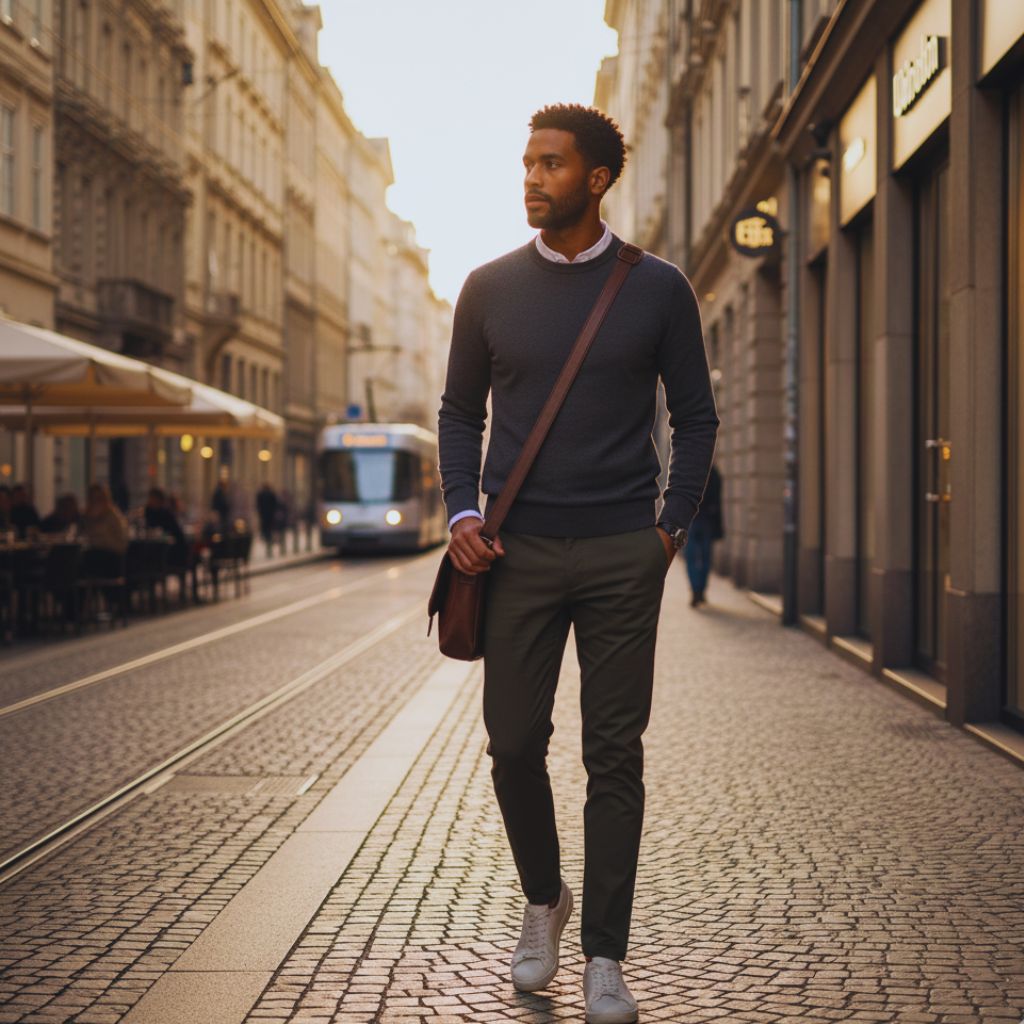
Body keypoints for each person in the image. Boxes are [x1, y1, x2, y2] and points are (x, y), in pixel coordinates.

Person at [437, 103, 719, 1023]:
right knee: (513, 745)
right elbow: (456, 414)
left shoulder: (659, 289)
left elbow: (698, 417)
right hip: (512, 554)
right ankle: (545, 897)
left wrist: (668, 531)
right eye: (526, 162)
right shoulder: (486, 287)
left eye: (551, 165)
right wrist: (463, 509)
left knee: (614, 756)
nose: (532, 178)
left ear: (596, 179)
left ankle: (604, 954)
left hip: (618, 553)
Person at [683, 463, 723, 607]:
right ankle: (700, 591)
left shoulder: (690, 471)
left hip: (693, 520)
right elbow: (717, 502)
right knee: (705, 557)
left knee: (692, 557)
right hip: (706, 521)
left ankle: (695, 590)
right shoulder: (714, 474)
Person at [81, 482, 129, 578]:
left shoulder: (113, 516)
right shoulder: (85, 515)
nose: (96, 502)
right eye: (93, 499)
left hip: (111, 558)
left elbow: (121, 545)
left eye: (99, 498)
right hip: (93, 555)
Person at [256, 483, 278, 557]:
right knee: (268, 531)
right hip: (269, 516)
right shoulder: (270, 494)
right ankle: (268, 547)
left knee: (266, 531)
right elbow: (275, 505)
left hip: (265, 516)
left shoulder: (261, 494)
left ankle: (268, 546)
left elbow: (258, 505)